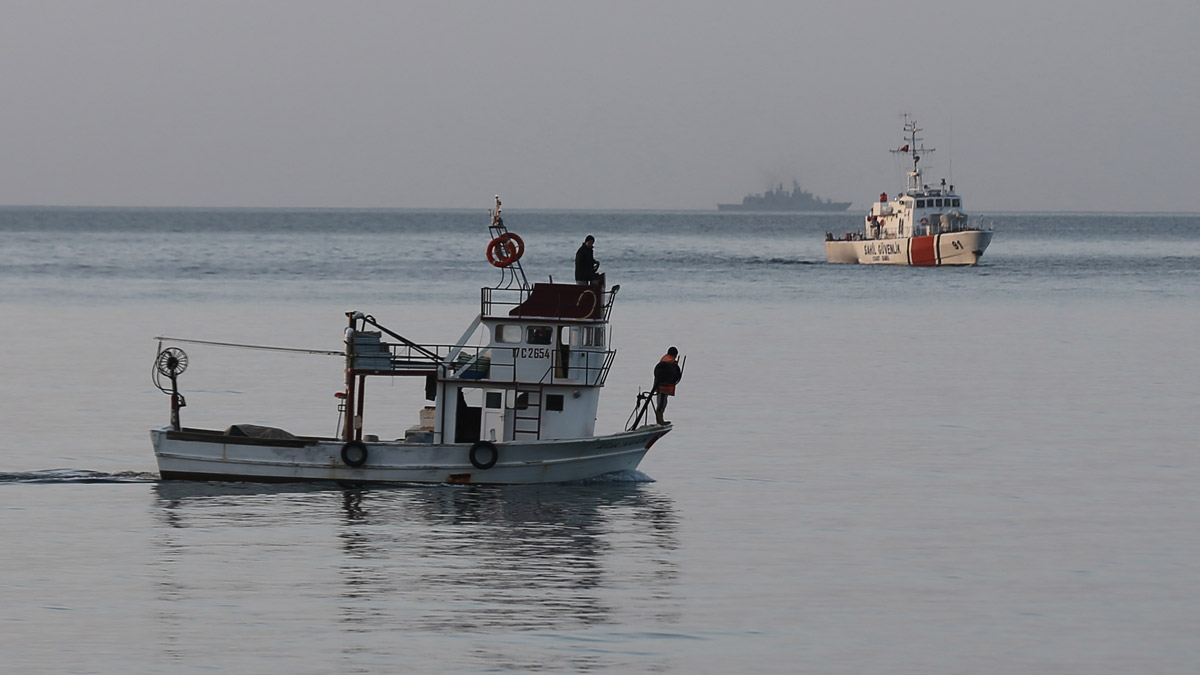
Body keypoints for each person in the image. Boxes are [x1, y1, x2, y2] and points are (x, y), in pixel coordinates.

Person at [652, 346, 682, 425]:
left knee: (662, 403)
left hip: (660, 386)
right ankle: (660, 421)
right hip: (663, 387)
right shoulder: (670, 361)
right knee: (661, 403)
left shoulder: (665, 359)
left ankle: (660, 420)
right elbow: (672, 373)